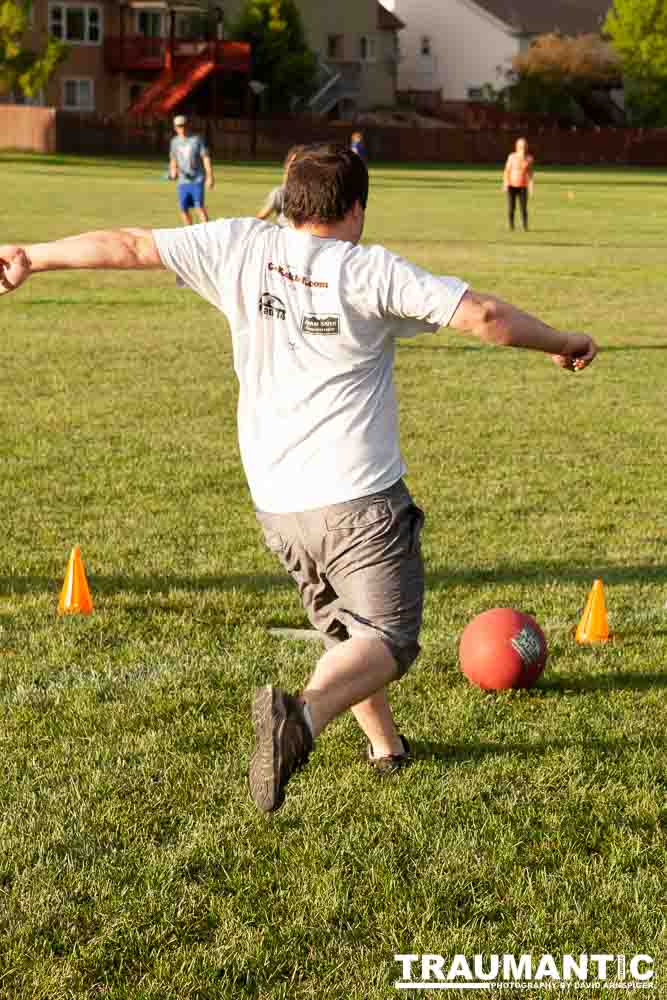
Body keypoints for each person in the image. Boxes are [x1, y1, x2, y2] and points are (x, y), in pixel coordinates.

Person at [0, 144, 597, 815]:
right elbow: (484, 316)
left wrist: (33, 255)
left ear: (288, 201)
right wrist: (564, 342)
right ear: (356, 207)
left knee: (346, 631)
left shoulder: (237, 245)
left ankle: (386, 748)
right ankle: (302, 720)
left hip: (277, 503)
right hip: (358, 497)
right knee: (387, 642)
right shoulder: (369, 271)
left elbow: (127, 243)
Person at [169, 114, 215, 225]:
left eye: (184, 125)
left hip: (197, 179)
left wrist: (210, 176)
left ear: (188, 125)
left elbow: (205, 158)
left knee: (199, 206)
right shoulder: (174, 142)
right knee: (183, 208)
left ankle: (207, 233)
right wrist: (173, 170)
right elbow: (173, 158)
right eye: (179, 126)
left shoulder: (197, 140)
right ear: (175, 128)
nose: (182, 128)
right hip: (183, 181)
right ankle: (189, 232)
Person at [255, 146, 305, 226]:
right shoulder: (280, 192)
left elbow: (261, 216)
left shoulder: (309, 194)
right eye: (292, 164)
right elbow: (261, 217)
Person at [503, 137, 534, 231]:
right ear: (517, 147)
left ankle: (525, 226)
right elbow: (507, 171)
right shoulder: (511, 157)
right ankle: (511, 225)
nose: (523, 148)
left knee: (523, 208)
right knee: (511, 207)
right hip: (511, 186)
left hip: (523, 187)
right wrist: (505, 183)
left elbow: (530, 173)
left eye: (524, 146)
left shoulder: (529, 159)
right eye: (521, 146)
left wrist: (531, 186)